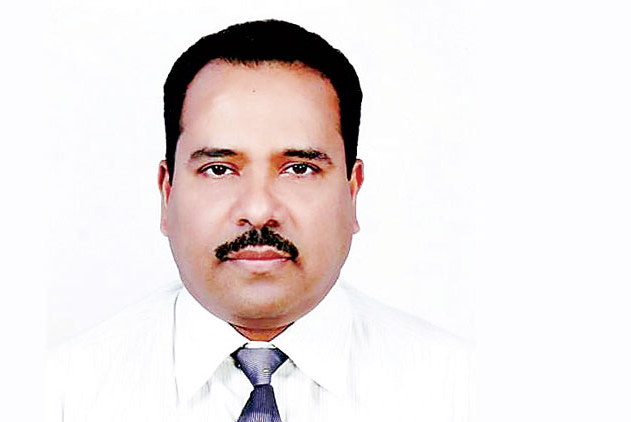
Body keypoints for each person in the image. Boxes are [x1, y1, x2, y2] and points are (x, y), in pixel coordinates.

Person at [47, 19, 469, 421]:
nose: (259, 209)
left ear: (352, 190)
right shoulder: (61, 394)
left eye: (299, 169)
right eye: (218, 169)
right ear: (167, 192)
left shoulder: (463, 393)